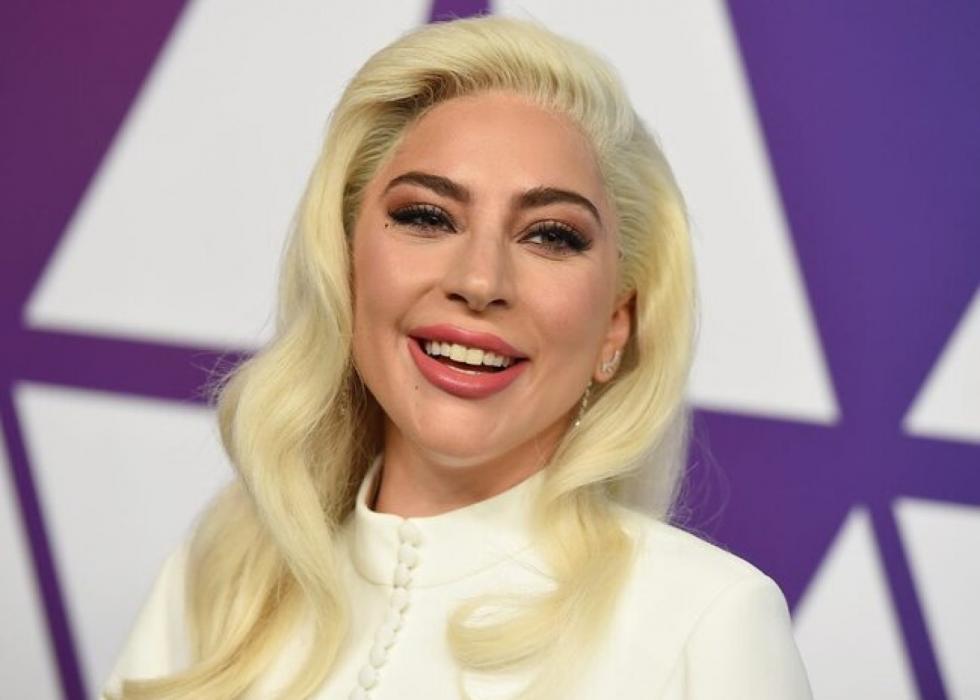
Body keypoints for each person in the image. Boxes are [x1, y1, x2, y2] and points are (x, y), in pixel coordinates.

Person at [103, 15, 812, 700]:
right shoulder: (221, 579)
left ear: (614, 326)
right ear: (344, 265)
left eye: (551, 235)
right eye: (427, 217)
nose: (479, 281)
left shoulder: (704, 621)